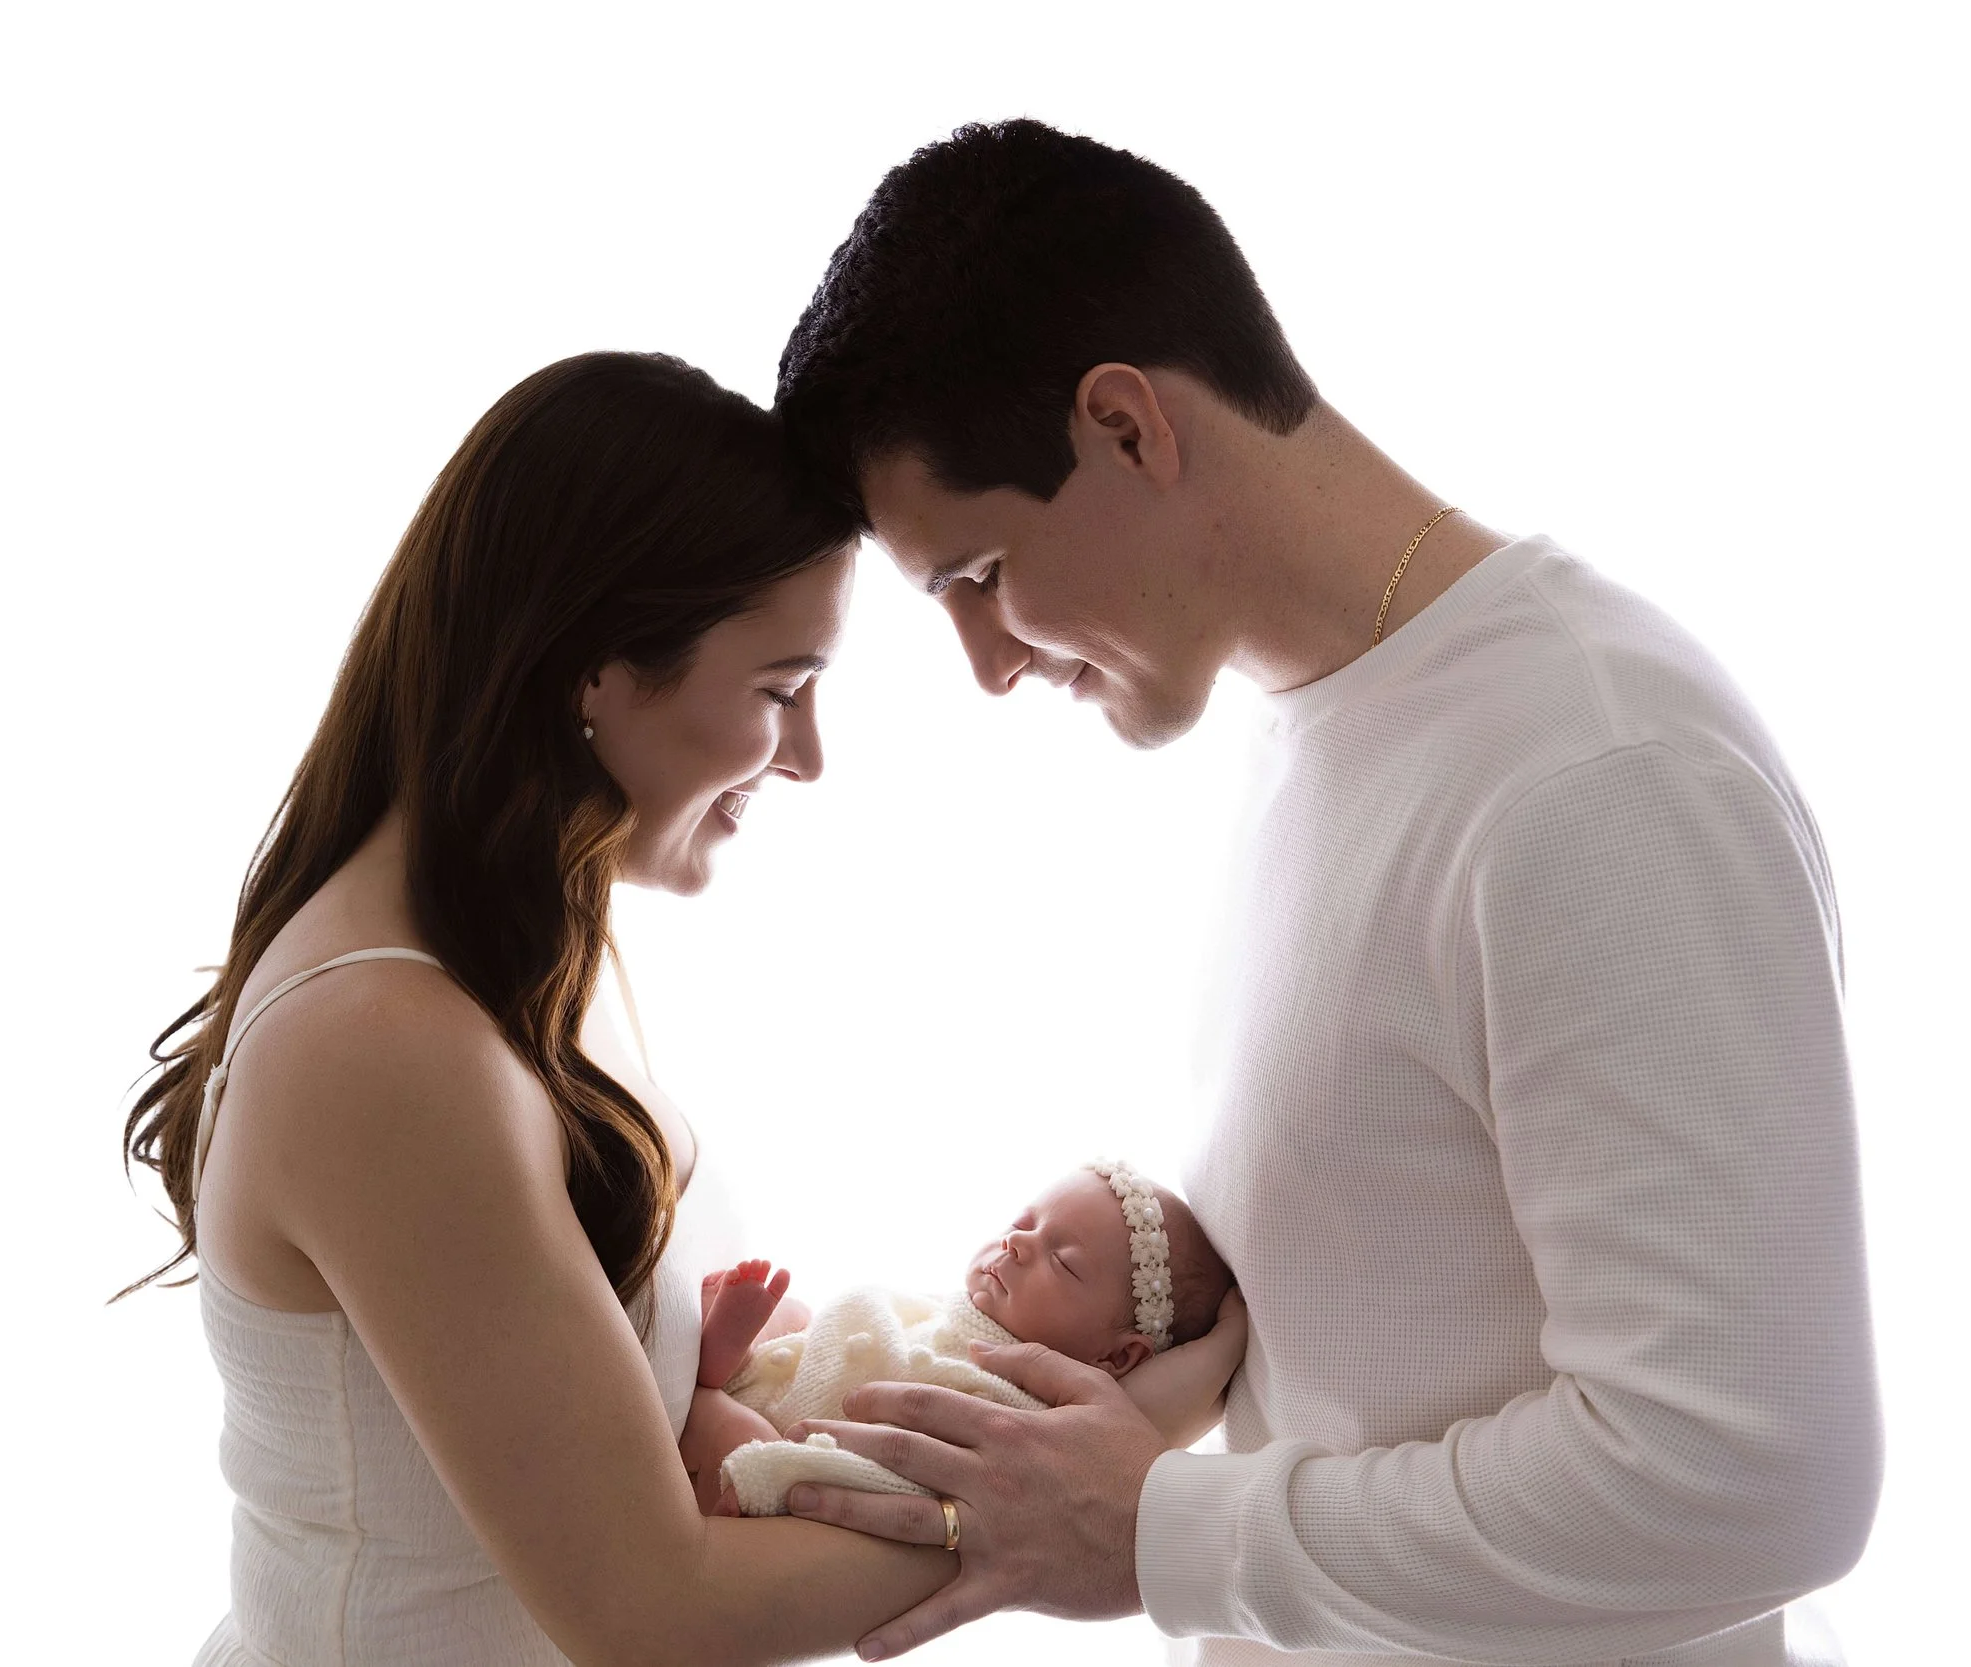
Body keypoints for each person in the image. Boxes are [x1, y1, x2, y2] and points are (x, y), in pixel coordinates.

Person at [765, 121, 1880, 1666]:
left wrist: (1159, 1532)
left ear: (1126, 427)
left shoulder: (1601, 773)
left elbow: (1749, 1478)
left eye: (975, 576)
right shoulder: (1324, 738)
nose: (992, 664)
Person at [116, 348, 1254, 1666]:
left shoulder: (533, 944)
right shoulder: (387, 1043)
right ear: (597, 672)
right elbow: (652, 1607)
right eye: (781, 688)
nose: (812, 757)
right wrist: (1105, 1476)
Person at [687, 1163, 1234, 1517]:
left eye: (1063, 1262)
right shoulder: (950, 1308)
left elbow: (906, 1481)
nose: (1017, 1242)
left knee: (738, 1428)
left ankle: (719, 1383)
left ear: (1115, 1355)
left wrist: (778, 1476)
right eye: (1024, 1223)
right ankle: (729, 1359)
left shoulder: (1019, 1412)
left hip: (782, 1449)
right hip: (797, 1371)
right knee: (797, 1312)